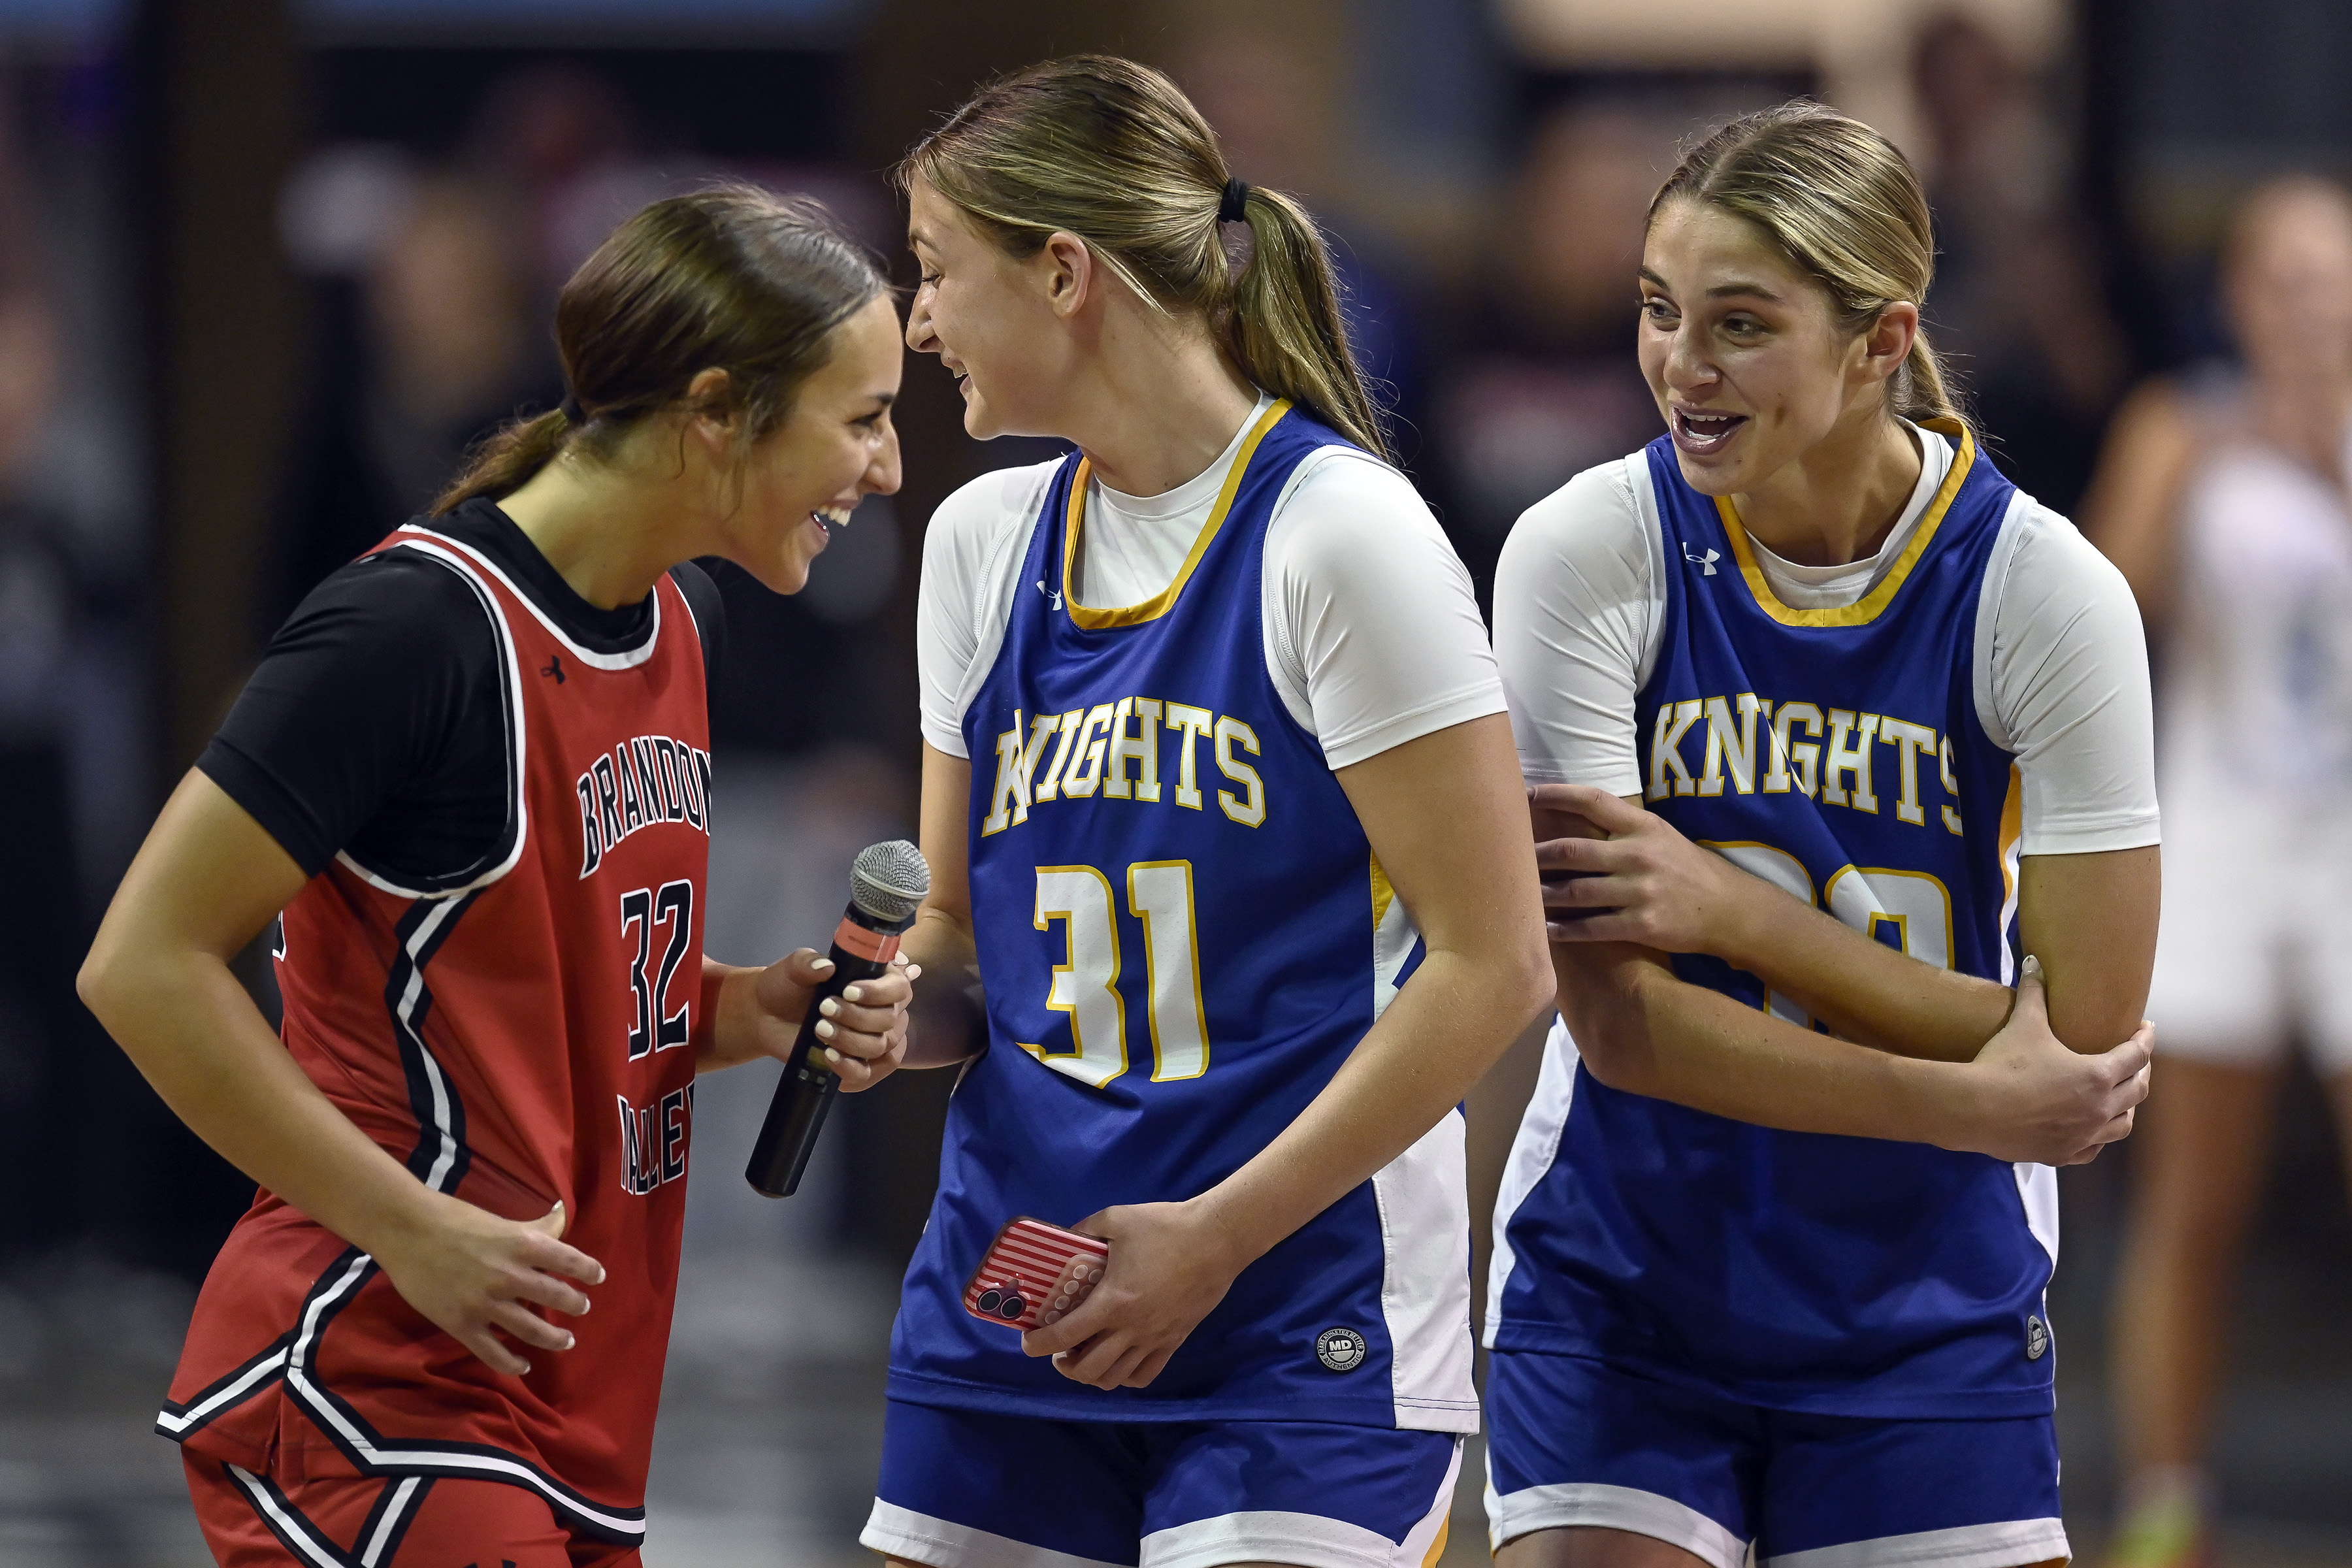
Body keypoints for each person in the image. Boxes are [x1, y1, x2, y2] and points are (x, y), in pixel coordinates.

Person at [77, 188, 913, 1567]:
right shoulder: (415, 626)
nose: (884, 468)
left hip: (562, 1385)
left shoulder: (679, 622)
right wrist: (409, 1225)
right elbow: (143, 963)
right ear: (715, 410)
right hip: (377, 1368)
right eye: (863, 415)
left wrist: (749, 1007)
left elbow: (547, 992)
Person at [855, 56, 1552, 1568]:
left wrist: (1220, 1238)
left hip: (1298, 1309)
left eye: (932, 272)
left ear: (1062, 273)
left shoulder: (1342, 534)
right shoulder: (982, 543)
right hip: (1019, 1291)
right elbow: (965, 942)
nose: (916, 320)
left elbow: (1497, 965)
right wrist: (876, 1009)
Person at [1482, 103, 2162, 1568]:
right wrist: (1978, 1094)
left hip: (1926, 1299)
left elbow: (2095, 1036)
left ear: (1878, 339)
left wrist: (1736, 915)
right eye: (1660, 310)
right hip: (1629, 1274)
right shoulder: (1587, 549)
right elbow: (1628, 1030)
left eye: (1739, 323)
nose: (1682, 364)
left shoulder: (2047, 591)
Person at [2082, 174, 2352, 1568]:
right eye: (2292, 282)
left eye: (2337, 280)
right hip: (2226, 834)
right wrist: (2211, 466)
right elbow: (2105, 607)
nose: (2317, 308)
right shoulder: (2182, 423)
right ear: (2245, 296)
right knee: (2196, 1201)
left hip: (2349, 847)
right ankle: (2166, 1502)